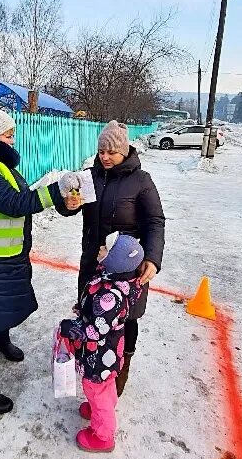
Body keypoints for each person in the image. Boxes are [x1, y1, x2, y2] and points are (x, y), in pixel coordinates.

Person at [0, 106, 79, 415]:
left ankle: (1, 341)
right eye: (7, 135)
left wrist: (65, 203)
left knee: (2, 308)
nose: (12, 140)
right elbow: (11, 203)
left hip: (6, 255)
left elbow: (26, 195)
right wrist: (55, 193)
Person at [58, 120, 165, 397]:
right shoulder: (89, 176)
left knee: (124, 318)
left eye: (111, 153)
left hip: (125, 267)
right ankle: (93, 368)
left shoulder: (141, 181)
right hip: (93, 262)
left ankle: (121, 367)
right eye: (101, 151)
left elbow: (155, 221)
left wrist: (152, 258)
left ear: (124, 151)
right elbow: (70, 204)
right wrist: (68, 204)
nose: (105, 157)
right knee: (92, 314)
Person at [60, 233, 145, 452]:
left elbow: (97, 331)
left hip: (99, 354)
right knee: (103, 387)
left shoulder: (111, 295)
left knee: (95, 387)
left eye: (106, 248)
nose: (100, 248)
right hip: (107, 353)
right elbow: (99, 312)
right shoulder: (110, 278)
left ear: (116, 260)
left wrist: (71, 329)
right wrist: (84, 309)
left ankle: (103, 435)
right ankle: (100, 406)